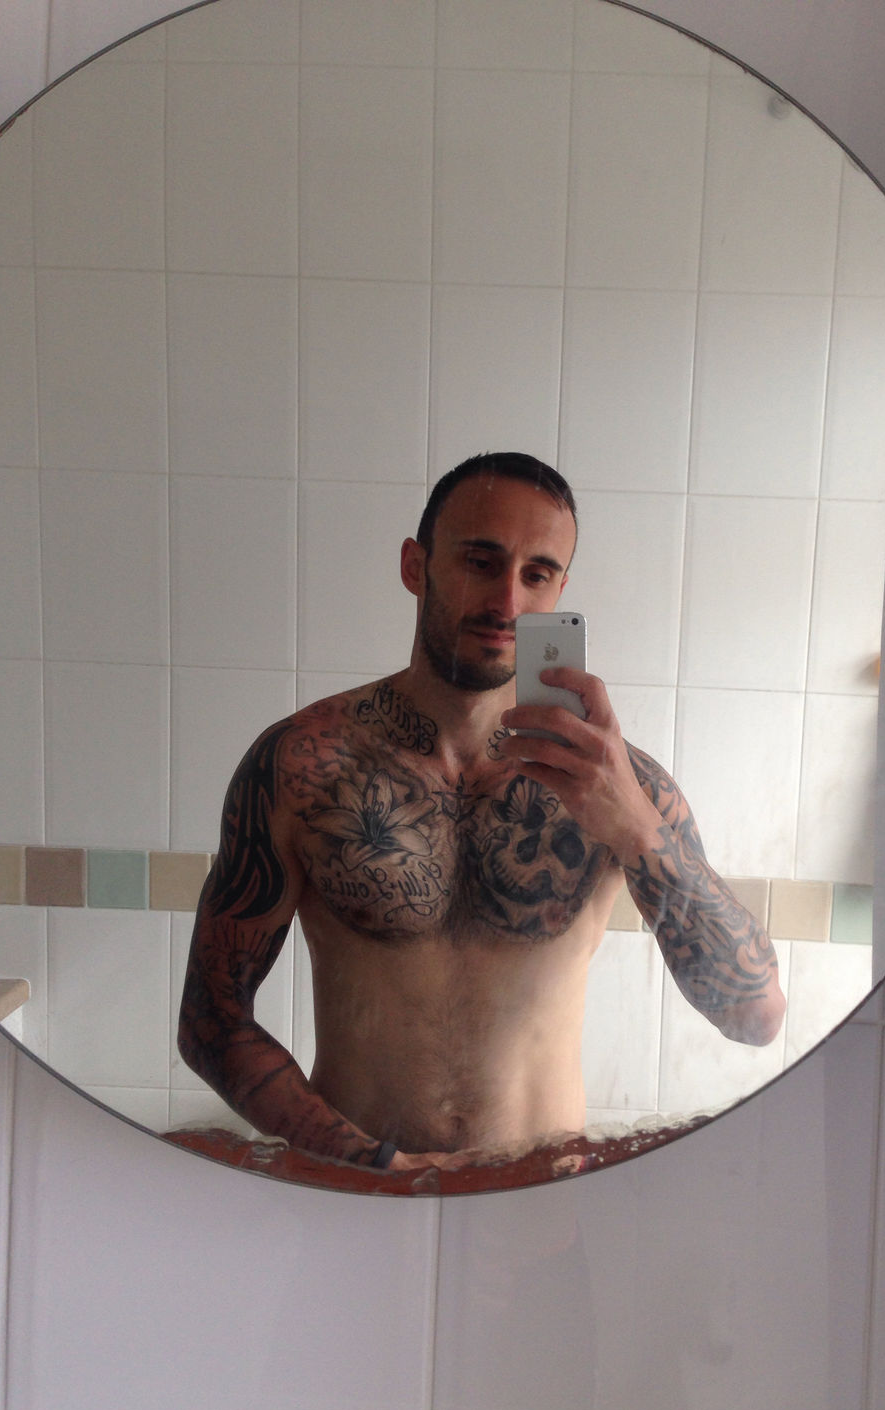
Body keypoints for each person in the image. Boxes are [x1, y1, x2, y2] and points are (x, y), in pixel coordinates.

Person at [178, 453, 785, 1173]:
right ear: (416, 566)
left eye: (537, 574)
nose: (507, 602)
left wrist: (633, 825)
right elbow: (211, 1021)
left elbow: (755, 1016)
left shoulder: (621, 785)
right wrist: (375, 1165)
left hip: (542, 1204)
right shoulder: (303, 767)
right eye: (481, 562)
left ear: (560, 592)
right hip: (359, 1196)